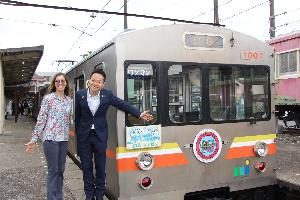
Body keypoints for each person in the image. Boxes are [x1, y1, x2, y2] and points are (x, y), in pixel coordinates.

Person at [75, 68, 153, 200]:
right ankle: (89, 196)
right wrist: (78, 135)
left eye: (99, 82)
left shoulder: (107, 95)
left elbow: (122, 104)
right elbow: (77, 117)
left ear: (103, 84)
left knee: (100, 167)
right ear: (89, 81)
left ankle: (99, 195)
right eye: (93, 80)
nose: (95, 83)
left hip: (100, 136)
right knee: (87, 168)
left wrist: (139, 114)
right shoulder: (79, 94)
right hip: (84, 137)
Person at [25, 72, 72, 200]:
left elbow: (71, 119)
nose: (60, 83)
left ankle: (59, 196)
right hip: (50, 139)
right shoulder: (48, 99)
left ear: (66, 83)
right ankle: (52, 197)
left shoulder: (69, 101)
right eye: (58, 81)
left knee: (61, 170)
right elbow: (41, 120)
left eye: (63, 81)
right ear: (54, 84)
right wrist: (34, 139)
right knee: (53, 170)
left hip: (63, 139)